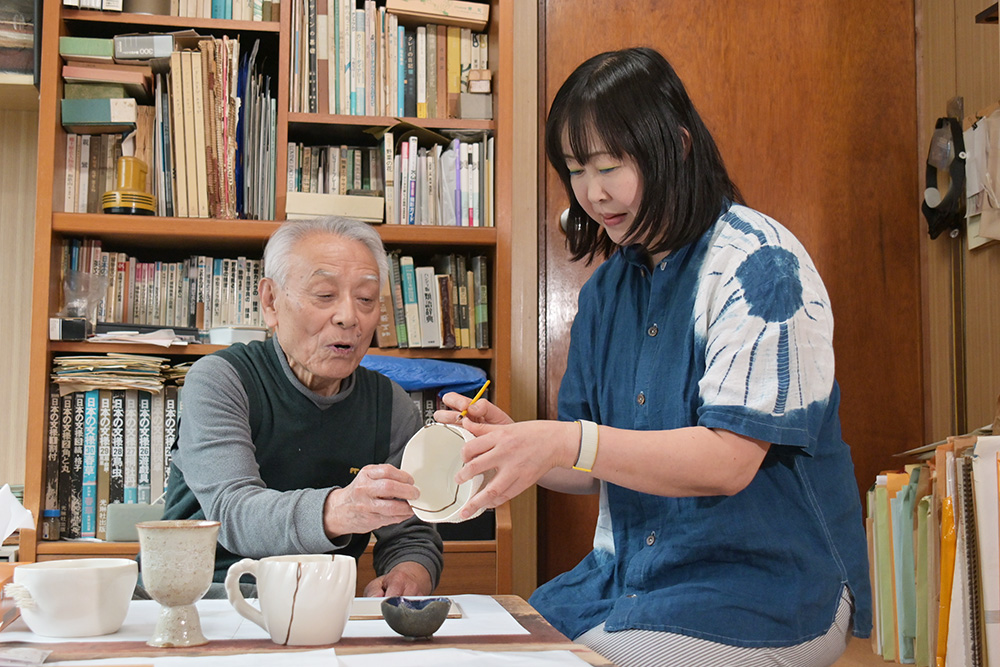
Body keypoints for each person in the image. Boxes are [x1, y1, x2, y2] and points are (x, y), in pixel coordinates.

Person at [436, 47, 871, 666]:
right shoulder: (607, 291)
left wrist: (560, 442)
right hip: (624, 583)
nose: (591, 193)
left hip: (764, 589)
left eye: (609, 165)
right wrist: (516, 444)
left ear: (679, 146)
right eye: (575, 170)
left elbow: (727, 462)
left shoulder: (759, 264)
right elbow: (589, 466)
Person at [162, 216, 443, 598]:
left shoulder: (390, 405)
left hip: (322, 606)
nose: (349, 317)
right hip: (205, 603)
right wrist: (341, 509)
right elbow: (232, 512)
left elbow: (409, 531)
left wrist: (409, 574)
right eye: (325, 295)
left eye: (365, 299)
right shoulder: (221, 379)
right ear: (271, 301)